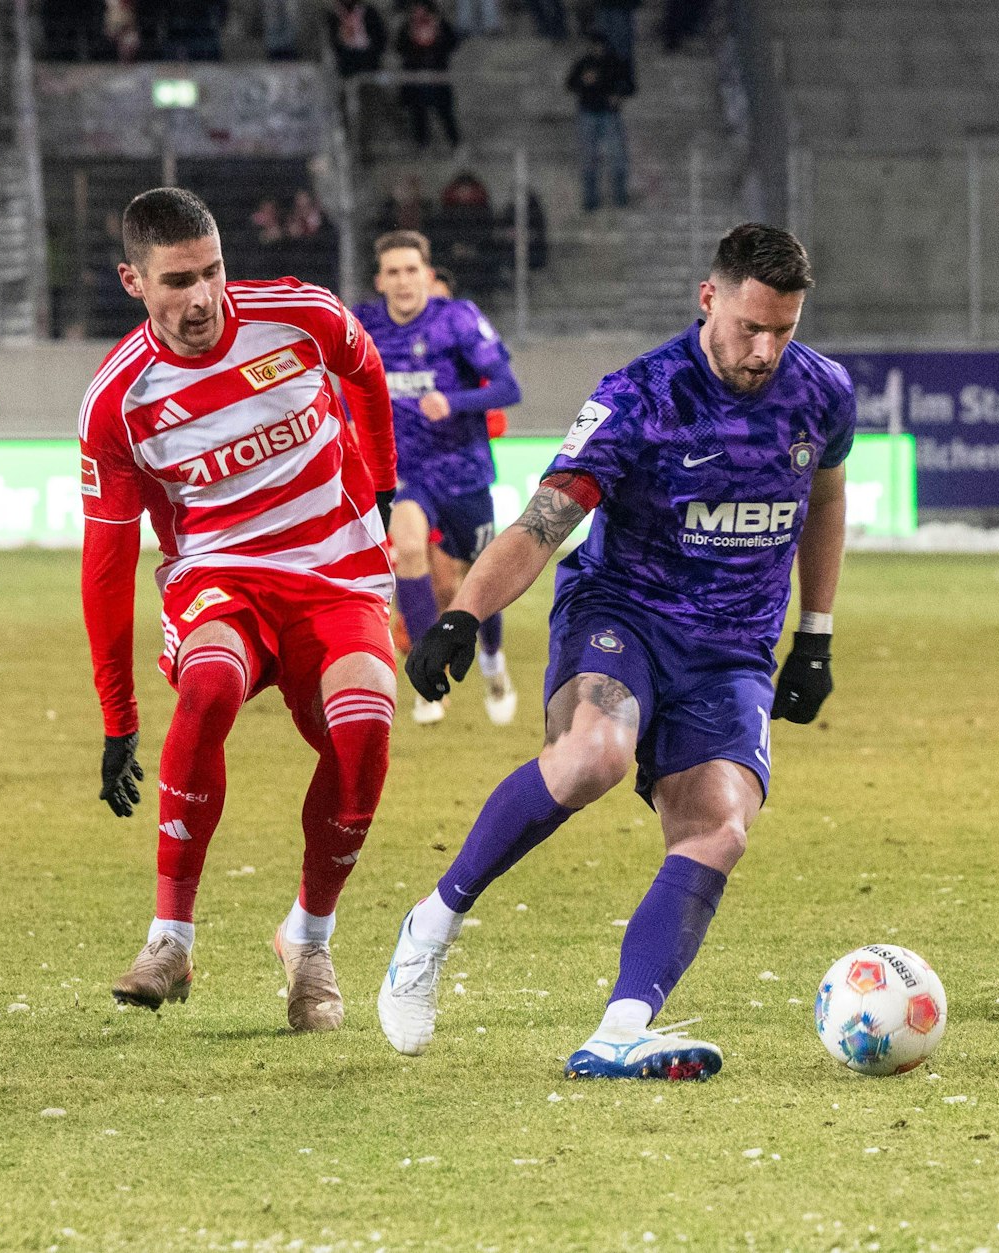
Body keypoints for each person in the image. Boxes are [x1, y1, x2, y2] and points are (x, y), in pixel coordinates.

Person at [378, 224, 851, 1079]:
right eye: (751, 326)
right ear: (710, 299)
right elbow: (544, 520)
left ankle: (622, 1028)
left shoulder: (821, 394)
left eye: (785, 329)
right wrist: (462, 613)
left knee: (720, 825)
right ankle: (431, 926)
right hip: (622, 617)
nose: (766, 349)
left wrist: (814, 632)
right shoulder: (641, 398)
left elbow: (825, 494)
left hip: (734, 647)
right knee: (594, 753)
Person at [79, 188, 398, 1032]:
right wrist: (118, 718)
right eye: (177, 280)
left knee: (365, 724)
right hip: (221, 577)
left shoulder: (302, 318)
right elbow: (105, 567)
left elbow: (366, 372)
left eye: (213, 271)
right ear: (133, 282)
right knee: (211, 682)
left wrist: (385, 486)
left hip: (336, 572)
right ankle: (170, 939)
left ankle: (309, 939)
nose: (202, 297)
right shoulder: (119, 403)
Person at [355, 228, 522, 726]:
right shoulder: (364, 325)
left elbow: (509, 388)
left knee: (481, 583)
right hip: (407, 473)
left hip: (465, 474)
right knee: (407, 547)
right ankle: (427, 681)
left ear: (427, 276)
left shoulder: (459, 320)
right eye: (394, 272)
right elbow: (347, 387)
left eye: (412, 270)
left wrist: (455, 401)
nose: (404, 281)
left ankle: (493, 660)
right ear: (379, 281)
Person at [566, 32, 631, 211]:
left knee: (617, 156)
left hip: (609, 115)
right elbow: (570, 84)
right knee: (589, 158)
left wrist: (618, 95)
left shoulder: (615, 62)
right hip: (588, 113)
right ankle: (590, 200)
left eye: (600, 45)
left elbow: (629, 84)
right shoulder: (584, 63)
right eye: (594, 46)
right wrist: (583, 81)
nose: (597, 49)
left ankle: (620, 197)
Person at [396, 0, 458, 152]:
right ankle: (422, 142)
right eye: (415, 9)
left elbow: (452, 43)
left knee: (445, 112)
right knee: (418, 112)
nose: (418, 12)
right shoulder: (407, 27)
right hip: (416, 79)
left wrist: (438, 29)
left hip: (437, 77)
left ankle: (455, 141)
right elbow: (399, 47)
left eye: (421, 9)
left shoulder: (440, 25)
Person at [328, 0, 384, 78]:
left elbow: (380, 38)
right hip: (346, 61)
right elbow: (334, 43)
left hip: (369, 59)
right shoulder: (333, 16)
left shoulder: (369, 12)